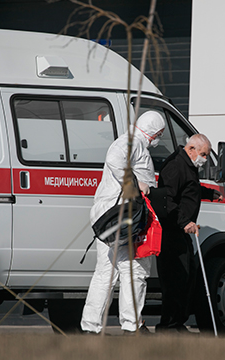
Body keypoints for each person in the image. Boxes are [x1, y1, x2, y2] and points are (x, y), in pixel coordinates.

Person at [80, 110, 165, 335]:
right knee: (135, 270)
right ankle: (131, 326)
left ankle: (91, 327)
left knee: (105, 273)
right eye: (160, 134)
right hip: (125, 218)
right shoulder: (132, 143)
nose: (159, 139)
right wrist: (135, 186)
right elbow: (115, 160)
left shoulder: (132, 142)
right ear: (153, 132)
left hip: (109, 218)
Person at [155, 134, 222, 333]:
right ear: (191, 148)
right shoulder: (176, 166)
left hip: (182, 231)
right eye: (203, 154)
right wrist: (184, 221)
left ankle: (177, 322)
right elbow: (168, 199)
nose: (204, 159)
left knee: (186, 276)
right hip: (173, 231)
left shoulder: (188, 165)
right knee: (175, 279)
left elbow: (189, 189)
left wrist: (208, 193)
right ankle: (168, 325)